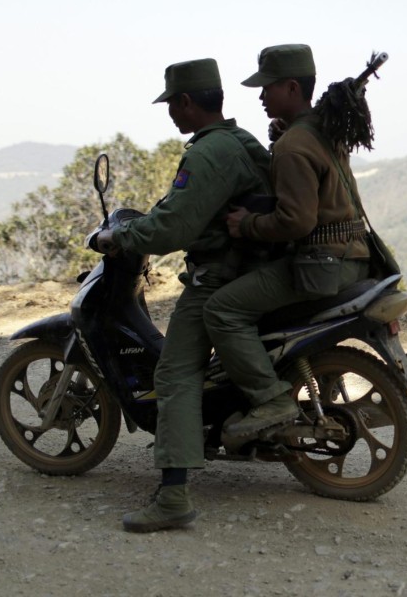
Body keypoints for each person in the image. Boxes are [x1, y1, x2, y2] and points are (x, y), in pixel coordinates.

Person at [93, 58, 273, 532]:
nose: (170, 112)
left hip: (219, 276)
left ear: (187, 102)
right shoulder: (241, 141)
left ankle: (173, 496)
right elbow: (180, 207)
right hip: (253, 269)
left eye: (172, 103)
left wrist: (124, 238)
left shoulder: (206, 154)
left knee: (173, 375)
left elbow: (177, 224)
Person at [203, 44, 371, 437]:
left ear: (292, 88)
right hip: (354, 257)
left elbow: (296, 221)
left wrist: (247, 225)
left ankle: (270, 399)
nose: (261, 96)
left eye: (268, 88)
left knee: (221, 310)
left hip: (321, 266)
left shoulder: (296, 144)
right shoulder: (323, 131)